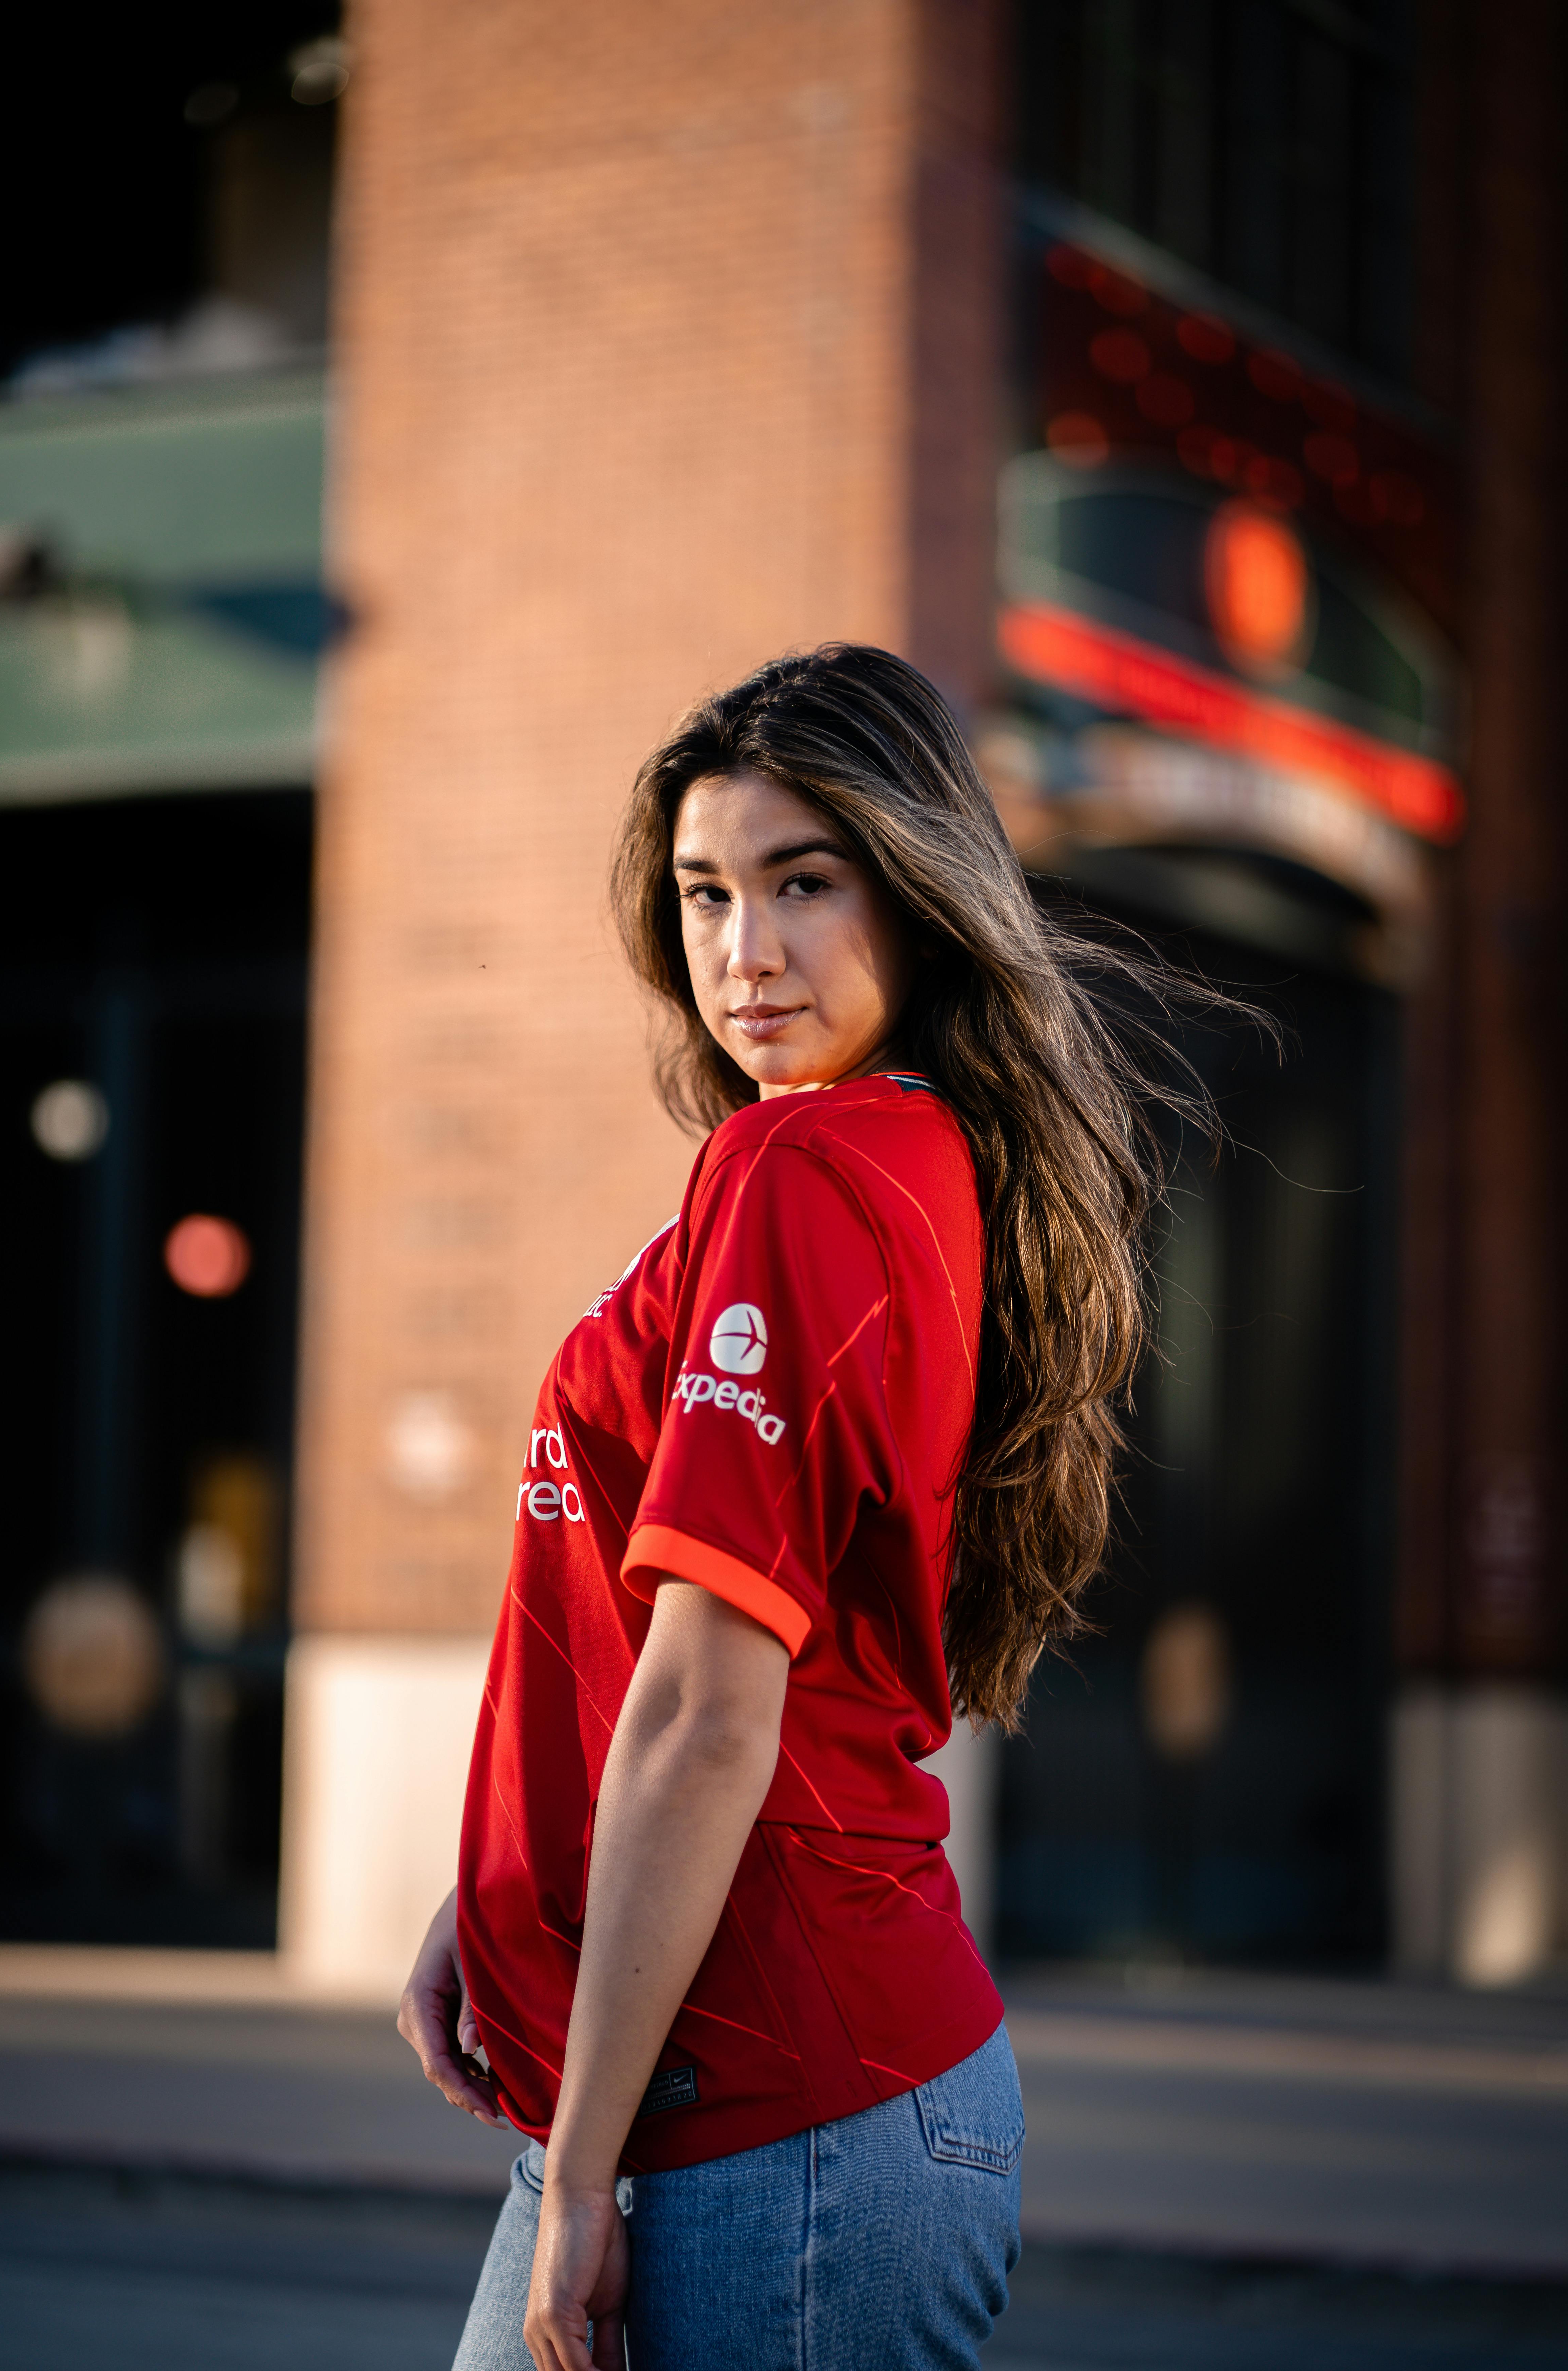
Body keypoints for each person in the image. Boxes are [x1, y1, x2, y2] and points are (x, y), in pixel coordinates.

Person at [398, 645, 1173, 2370]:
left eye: (802, 884)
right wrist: (512, 1880)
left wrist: (583, 2176)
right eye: (703, 893)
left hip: (759, 2117)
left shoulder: (803, 1172)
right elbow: (660, 1656)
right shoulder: (881, 1158)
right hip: (766, 2082)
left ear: (914, 897)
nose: (744, 953)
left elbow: (706, 1707)